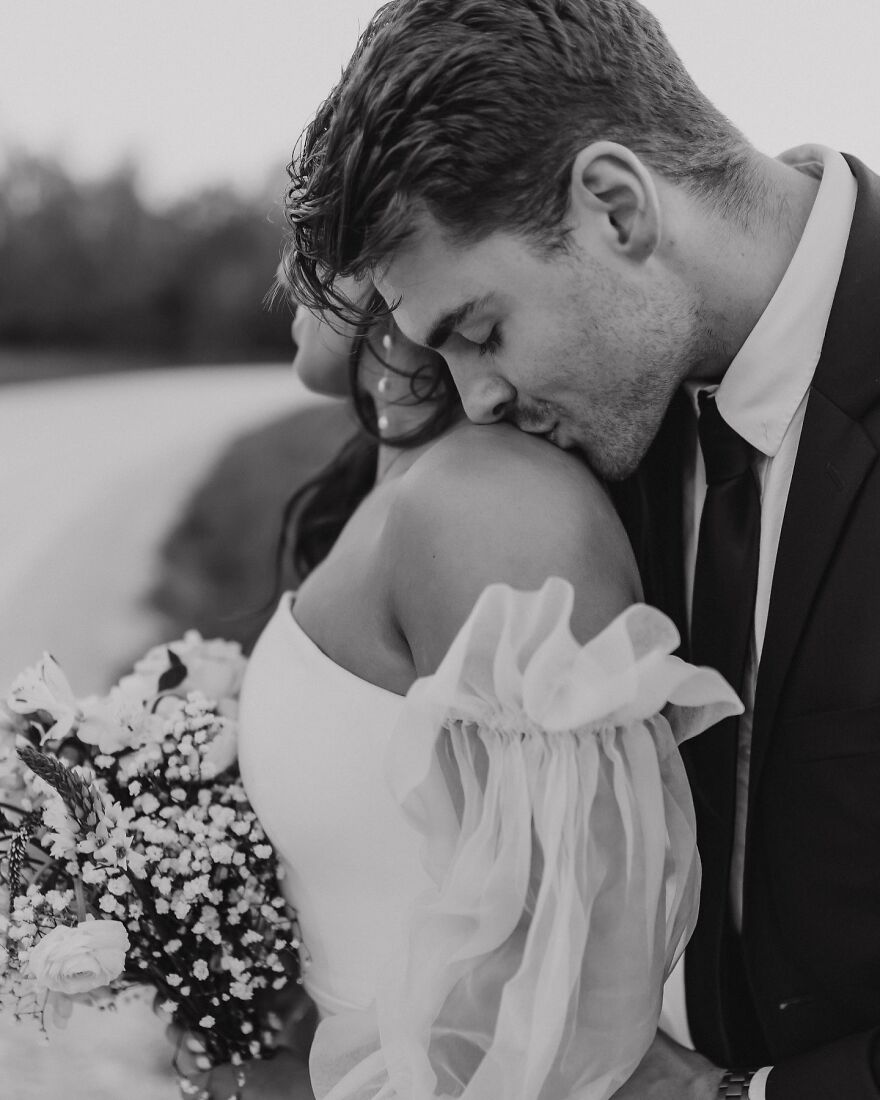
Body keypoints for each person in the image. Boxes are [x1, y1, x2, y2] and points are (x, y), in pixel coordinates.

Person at [280, 1, 880, 1098]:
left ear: (615, 206)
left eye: (479, 330)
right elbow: (328, 369)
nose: (479, 398)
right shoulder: (614, 381)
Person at [172, 262, 739, 1100]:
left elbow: (572, 981)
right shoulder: (400, 481)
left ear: (396, 262)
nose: (287, 275)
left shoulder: (487, 504)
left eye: (315, 244)